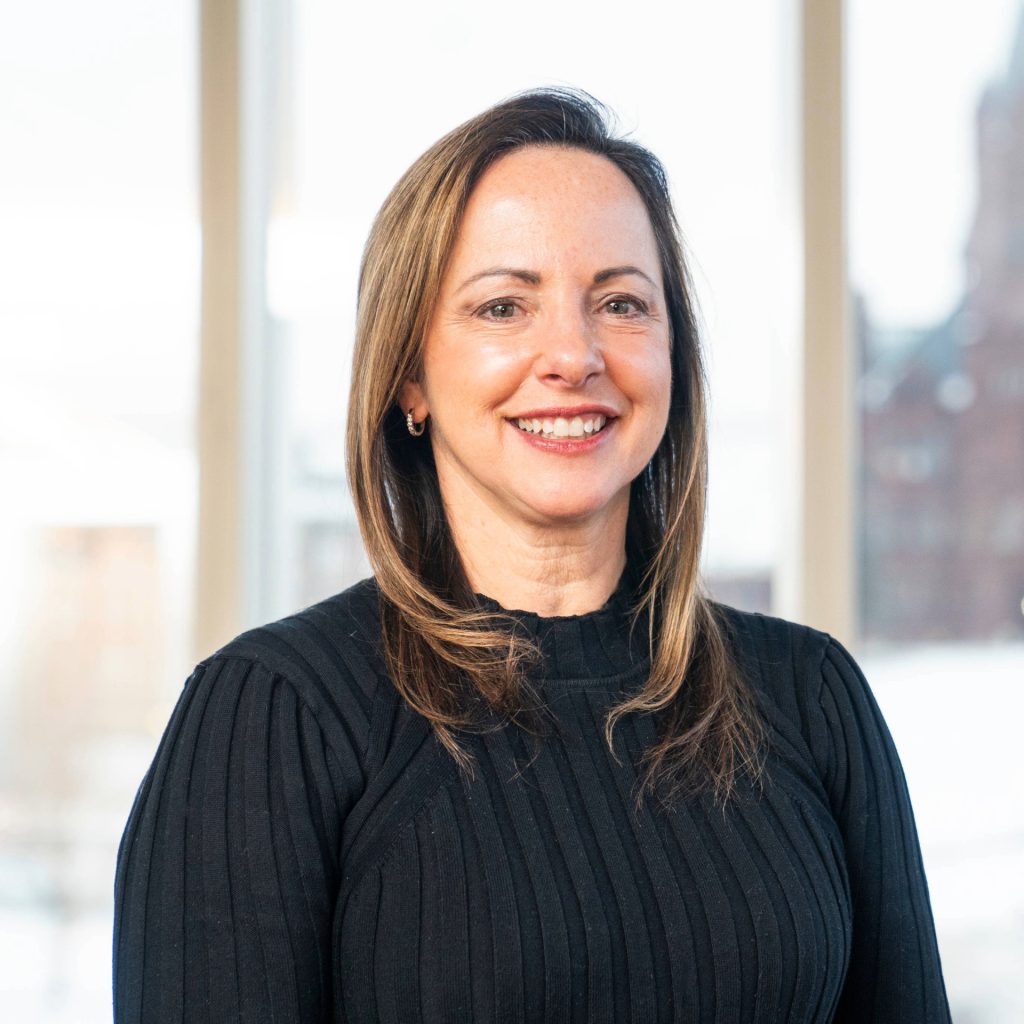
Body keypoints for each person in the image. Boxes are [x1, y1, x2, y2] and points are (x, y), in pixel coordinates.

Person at [113, 88, 951, 1023]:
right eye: (504, 305)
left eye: (622, 303)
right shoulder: (275, 718)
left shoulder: (811, 695)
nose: (574, 354)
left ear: (674, 357)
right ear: (409, 377)